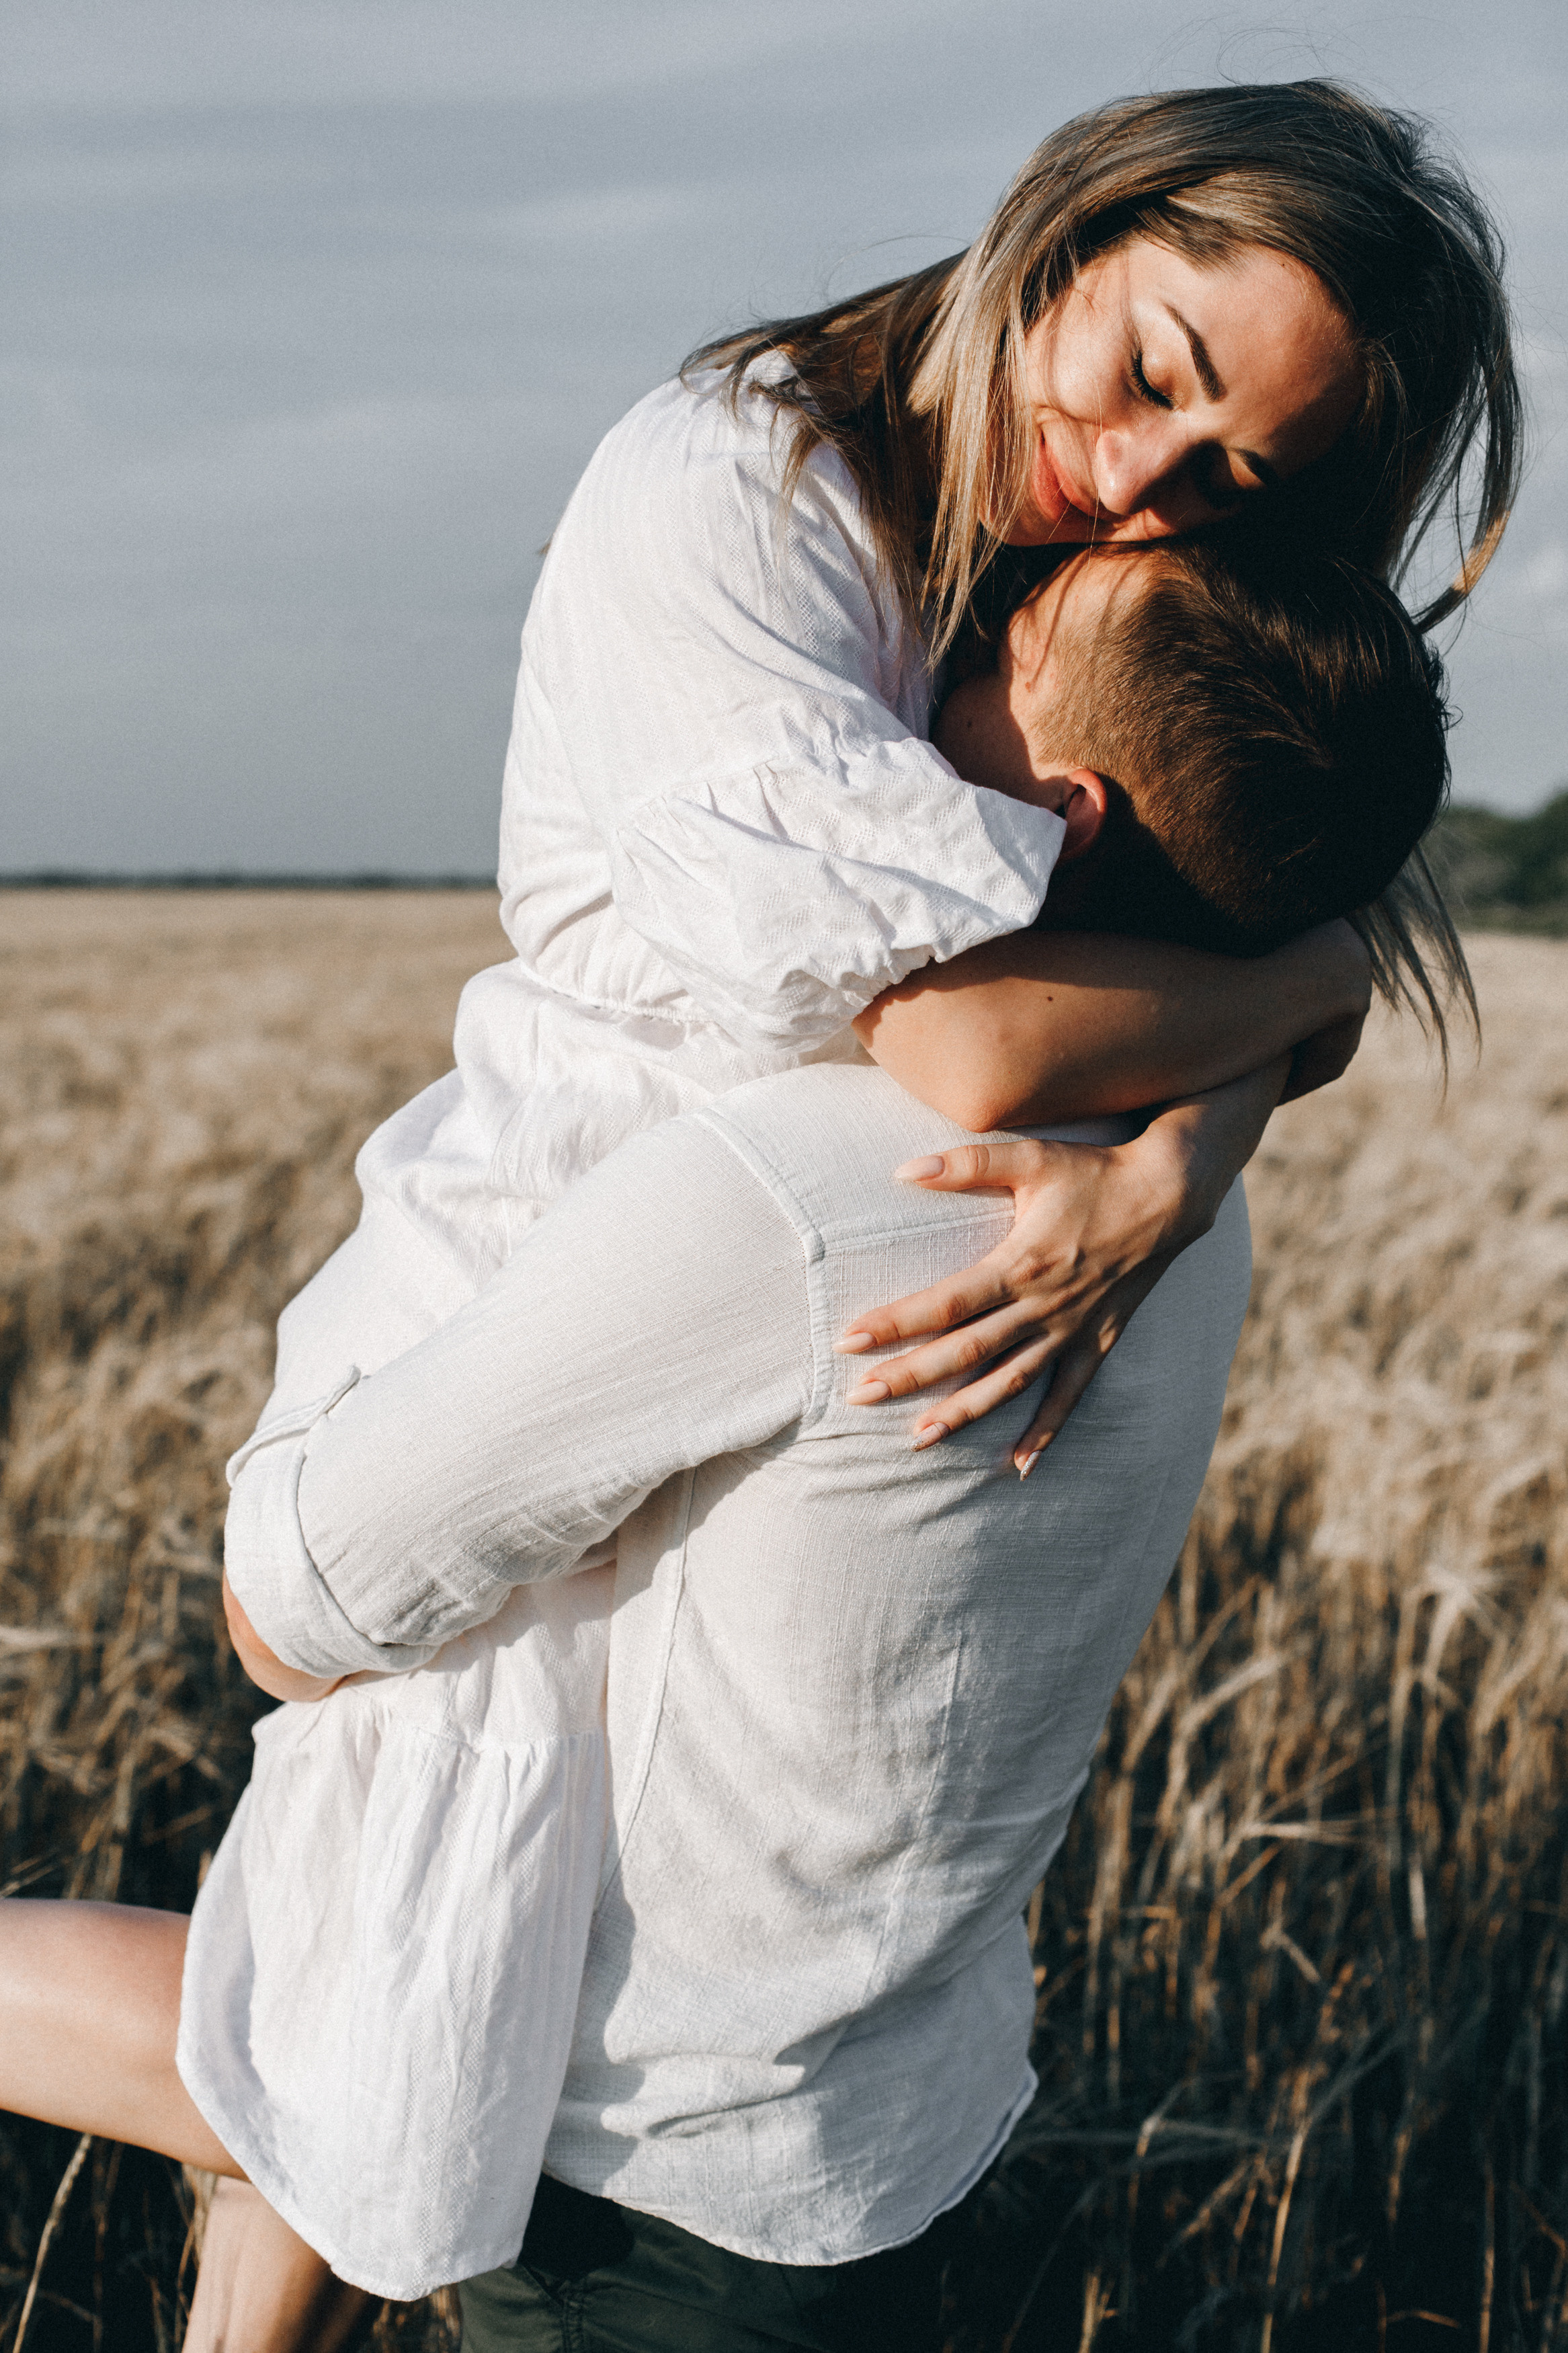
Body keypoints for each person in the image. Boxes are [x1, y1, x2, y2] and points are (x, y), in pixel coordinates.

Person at [0, 73, 1515, 2344]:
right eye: (1152, 381)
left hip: (740, 1335)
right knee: (377, 2002)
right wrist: (1293, 998)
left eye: (1230, 489)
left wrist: (1204, 1124)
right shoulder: (745, 484)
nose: (1134, 483)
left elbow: (1161, 879)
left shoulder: (1062, 582)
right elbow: (977, 1046)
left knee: (405, 2022)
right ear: (1075, 223)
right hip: (553, 1282)